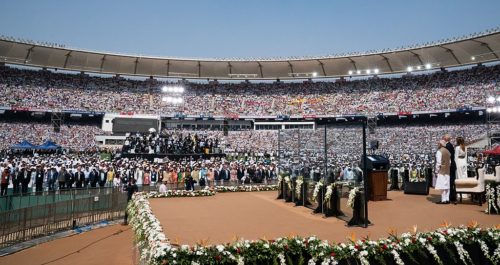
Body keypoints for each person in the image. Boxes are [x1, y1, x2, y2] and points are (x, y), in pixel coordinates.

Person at [435, 140, 451, 204]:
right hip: (447, 170)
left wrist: (436, 170)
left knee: (442, 185)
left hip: (442, 170)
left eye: (438, 144)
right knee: (447, 185)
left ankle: (443, 199)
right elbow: (450, 162)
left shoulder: (439, 151)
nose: (437, 145)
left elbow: (438, 162)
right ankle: (447, 198)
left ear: (440, 144)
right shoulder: (448, 151)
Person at [443, 134, 457, 203]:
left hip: (450, 166)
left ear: (446, 139)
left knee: (450, 182)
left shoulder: (448, 146)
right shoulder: (450, 145)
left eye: (443, 138)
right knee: (451, 182)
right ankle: (451, 196)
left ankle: (451, 197)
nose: (442, 139)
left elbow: (447, 157)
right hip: (451, 165)